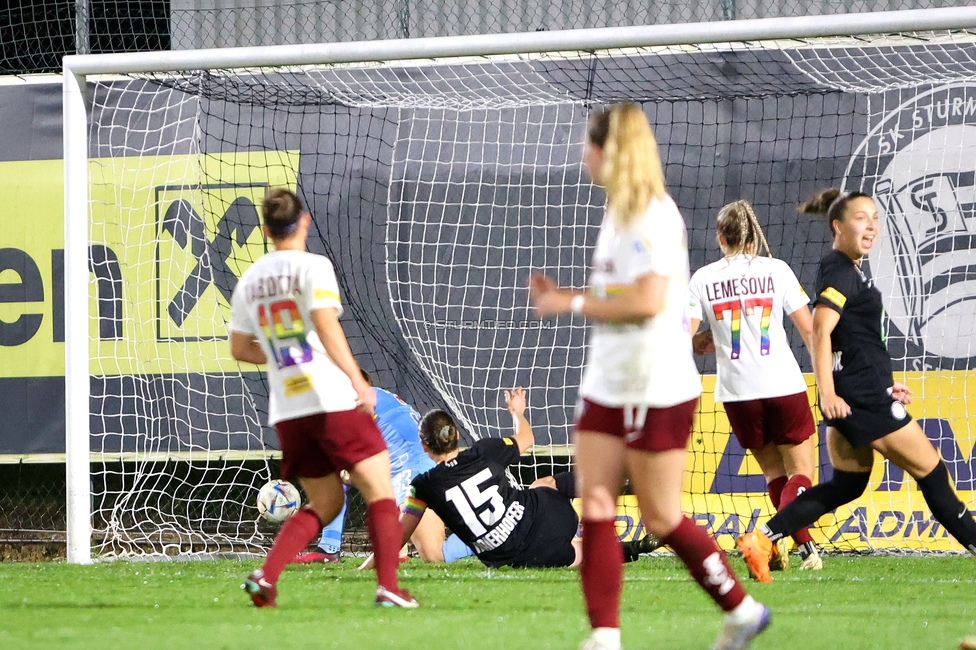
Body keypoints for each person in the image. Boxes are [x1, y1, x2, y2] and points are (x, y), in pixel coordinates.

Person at [529, 103, 768, 650]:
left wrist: (568, 301)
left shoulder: (655, 215)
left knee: (660, 516)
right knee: (595, 506)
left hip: (655, 386)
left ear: (608, 152)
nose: (581, 156)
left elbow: (648, 299)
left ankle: (741, 608)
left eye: (587, 146)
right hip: (607, 385)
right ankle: (605, 636)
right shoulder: (617, 211)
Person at [737, 188, 976, 582]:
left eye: (875, 219)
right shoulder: (839, 269)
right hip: (858, 401)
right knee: (933, 475)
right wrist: (828, 392)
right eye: (861, 217)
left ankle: (762, 539)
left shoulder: (846, 269)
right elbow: (821, 330)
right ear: (838, 226)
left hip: (863, 395)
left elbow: (855, 341)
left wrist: (887, 385)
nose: (871, 226)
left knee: (845, 486)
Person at [229, 188, 418, 608]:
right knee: (381, 489)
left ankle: (266, 576)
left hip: (289, 409)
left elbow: (241, 349)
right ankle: (388, 585)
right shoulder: (313, 266)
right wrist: (357, 381)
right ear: (305, 222)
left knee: (328, 502)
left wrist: (283, 357)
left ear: (265, 230)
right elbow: (326, 326)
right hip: (329, 398)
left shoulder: (250, 280)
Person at [366, 387, 660, 570]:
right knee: (544, 484)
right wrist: (518, 412)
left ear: (425, 446)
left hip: (520, 555)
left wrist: (367, 568)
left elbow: (398, 536)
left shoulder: (425, 485)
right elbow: (527, 438)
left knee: (576, 554)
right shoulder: (484, 451)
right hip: (549, 516)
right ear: (456, 435)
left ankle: (628, 550)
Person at [687, 199, 823, 572]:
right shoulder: (776, 270)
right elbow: (809, 329)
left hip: (736, 392)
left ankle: (806, 550)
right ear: (753, 234)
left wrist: (701, 340)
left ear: (720, 237)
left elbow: (684, 336)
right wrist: (826, 377)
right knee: (802, 475)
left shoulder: (703, 278)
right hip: (781, 383)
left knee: (774, 475)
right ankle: (769, 539)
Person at [294, 369, 474, 565]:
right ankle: (329, 548)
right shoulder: (372, 398)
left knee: (434, 554)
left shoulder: (353, 402)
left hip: (414, 470)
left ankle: (494, 538)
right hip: (411, 466)